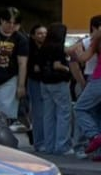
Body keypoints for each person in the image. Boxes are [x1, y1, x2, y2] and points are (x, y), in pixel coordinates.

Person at [72, 15, 101, 159]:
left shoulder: (99, 39)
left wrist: (77, 52)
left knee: (80, 108)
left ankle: (94, 135)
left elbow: (83, 58)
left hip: (100, 77)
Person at [28, 23, 74, 155]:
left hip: (44, 83)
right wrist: (67, 69)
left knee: (48, 115)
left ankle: (49, 145)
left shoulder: (43, 48)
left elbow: (38, 67)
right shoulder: (58, 48)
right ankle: (62, 146)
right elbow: (58, 66)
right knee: (63, 114)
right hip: (59, 82)